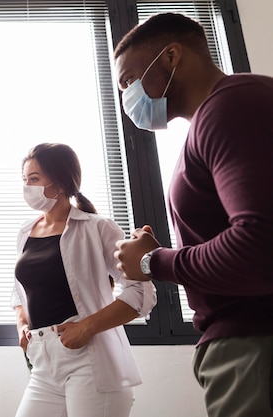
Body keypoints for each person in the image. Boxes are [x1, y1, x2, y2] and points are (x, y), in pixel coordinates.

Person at [112, 12, 273, 417]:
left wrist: (153, 261)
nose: (126, 97)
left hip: (256, 341)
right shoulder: (224, 114)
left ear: (170, 57)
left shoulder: (232, 106)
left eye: (128, 81)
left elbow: (260, 244)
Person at [11, 143, 157, 417]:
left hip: (90, 362)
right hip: (44, 363)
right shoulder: (25, 233)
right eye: (25, 180)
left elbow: (142, 293)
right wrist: (21, 323)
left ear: (60, 181)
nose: (27, 187)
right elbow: (19, 292)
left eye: (34, 179)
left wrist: (87, 327)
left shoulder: (98, 228)